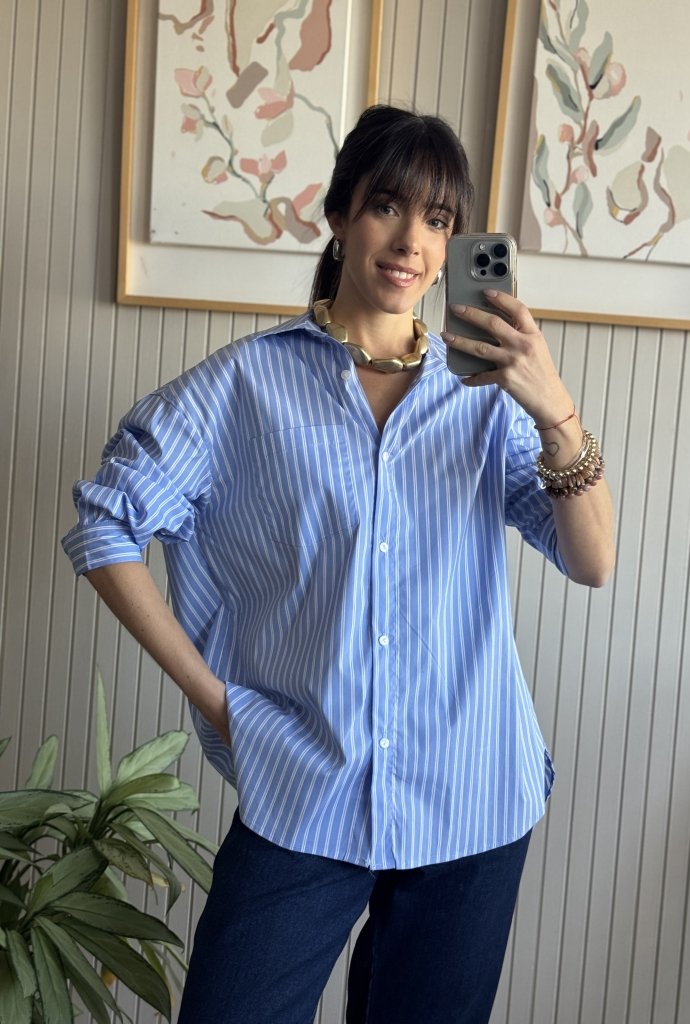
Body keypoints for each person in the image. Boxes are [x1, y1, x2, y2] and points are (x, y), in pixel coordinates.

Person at [62, 104, 614, 1023]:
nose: (411, 242)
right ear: (339, 215)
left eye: (437, 219)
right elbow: (105, 524)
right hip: (308, 783)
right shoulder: (245, 387)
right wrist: (219, 703)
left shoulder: (487, 399)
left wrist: (553, 406)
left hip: (471, 792)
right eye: (387, 207)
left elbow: (591, 560)